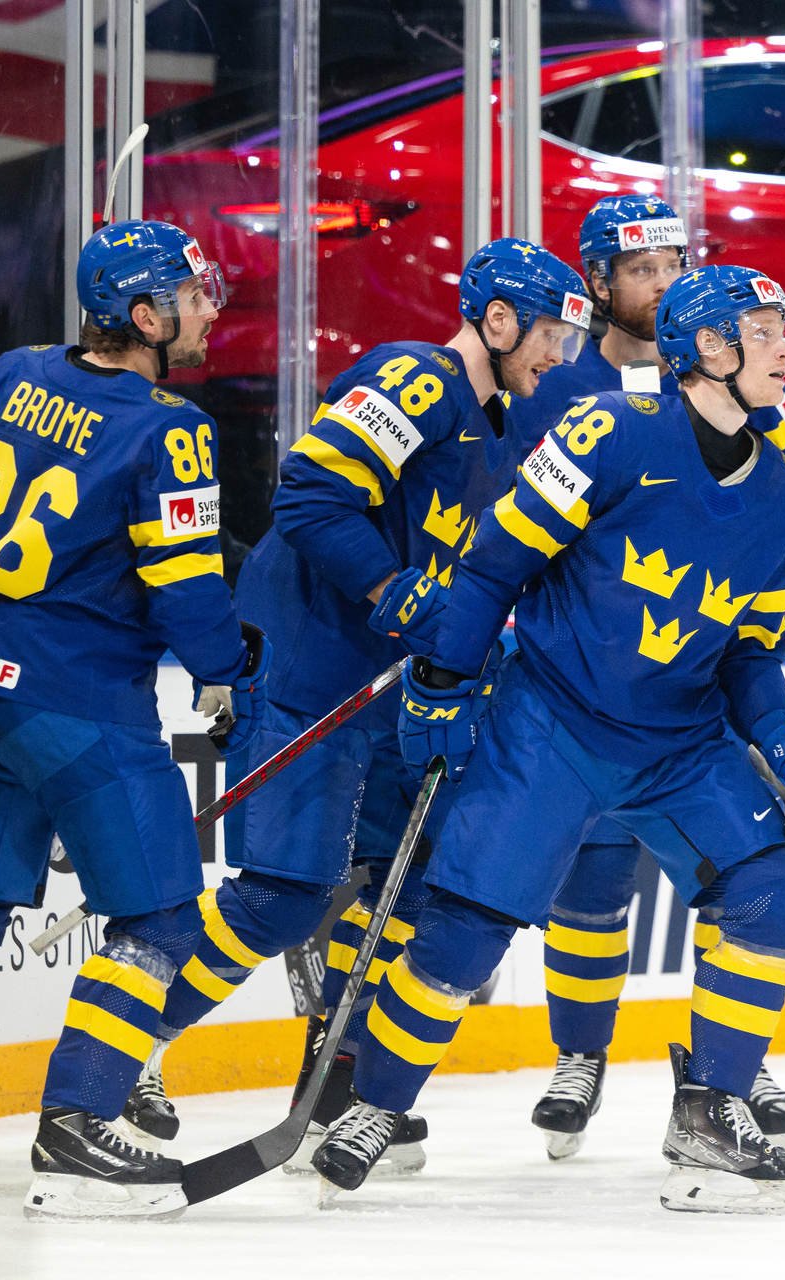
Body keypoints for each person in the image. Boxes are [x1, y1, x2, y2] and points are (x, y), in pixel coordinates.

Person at [310, 264, 785, 1216]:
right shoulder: (610, 430)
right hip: (551, 719)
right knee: (464, 934)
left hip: (678, 740)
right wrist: (441, 678)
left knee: (771, 893)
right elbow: (492, 564)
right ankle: (374, 1103)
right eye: (766, 332)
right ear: (708, 349)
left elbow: (752, 654)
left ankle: (710, 1112)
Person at [122, 238, 593, 1176]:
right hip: (307, 667)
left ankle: (332, 1085)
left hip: (389, 687)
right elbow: (308, 497)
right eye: (548, 335)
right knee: (282, 895)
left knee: (400, 885)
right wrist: (395, 591)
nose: (559, 358)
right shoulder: (412, 379)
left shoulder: (510, 425)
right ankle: (122, 1045)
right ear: (495, 319)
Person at [0, 220, 268, 1220]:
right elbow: (183, 595)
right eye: (192, 292)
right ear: (142, 316)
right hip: (75, 703)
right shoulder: (171, 428)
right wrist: (231, 673)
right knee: (162, 919)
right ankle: (78, 1124)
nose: (209, 306)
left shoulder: (13, 373)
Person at [512, 194, 785, 1158]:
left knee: (732, 870)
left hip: (703, 671)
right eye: (639, 270)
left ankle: (724, 1068)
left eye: (672, 266)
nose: (659, 285)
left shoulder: (750, 370)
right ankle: (581, 1055)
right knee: (591, 873)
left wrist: (776, 606)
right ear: (598, 281)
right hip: (584, 670)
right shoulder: (557, 381)